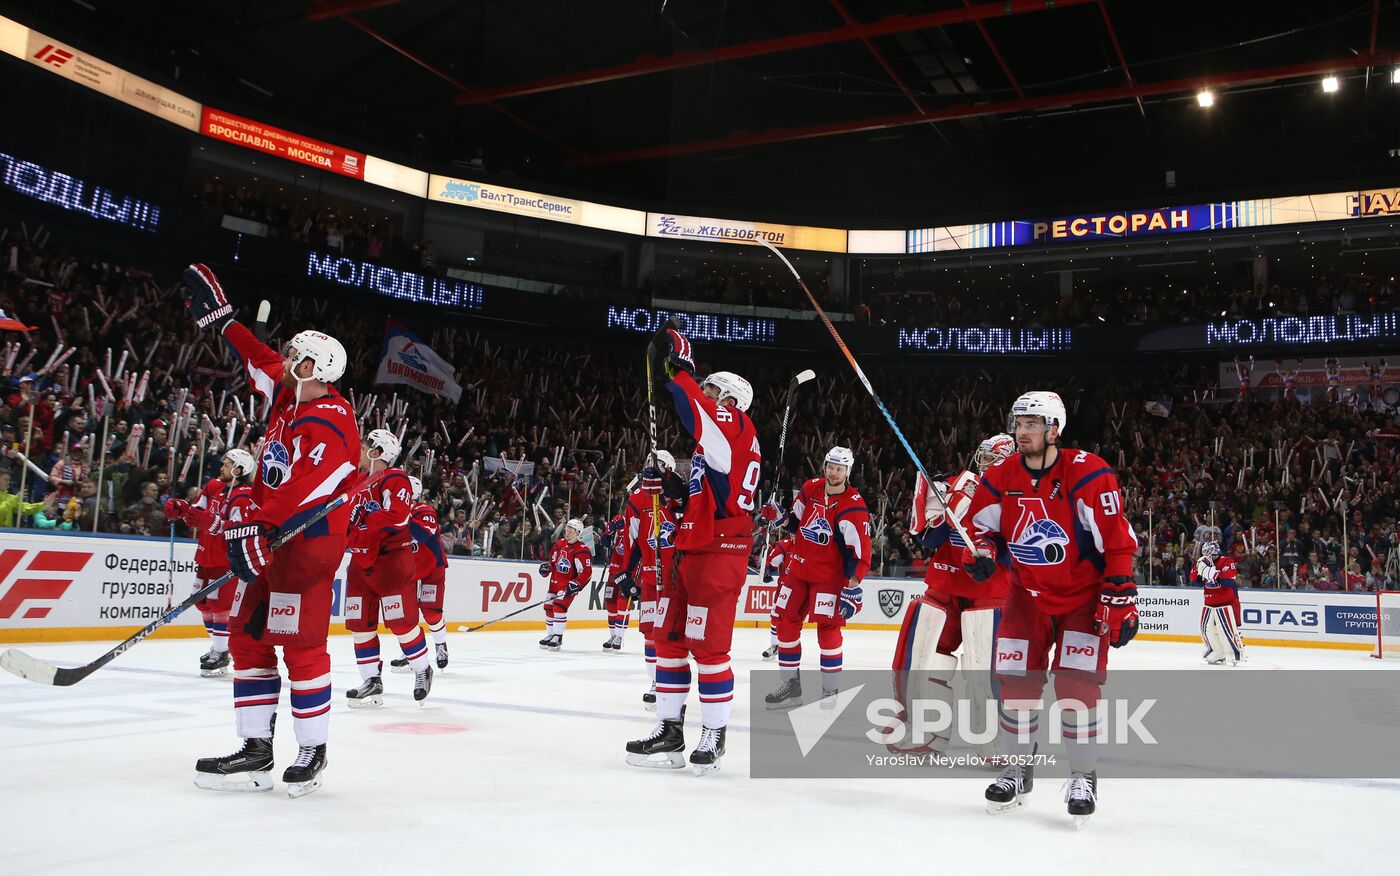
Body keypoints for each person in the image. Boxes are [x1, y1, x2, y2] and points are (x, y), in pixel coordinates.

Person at [183, 263, 359, 799]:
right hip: (267, 543)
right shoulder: (289, 398)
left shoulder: (333, 419)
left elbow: (311, 484)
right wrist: (226, 323)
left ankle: (312, 750)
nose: (284, 360)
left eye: (294, 355)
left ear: (315, 367)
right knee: (247, 639)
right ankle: (256, 750)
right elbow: (260, 360)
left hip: (305, 548)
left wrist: (256, 526)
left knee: (301, 646)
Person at [961, 391, 1137, 826]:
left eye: (1032, 424)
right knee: (1016, 684)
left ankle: (1082, 775)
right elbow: (980, 528)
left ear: (1054, 429)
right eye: (1018, 423)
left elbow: (1116, 541)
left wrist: (1122, 595)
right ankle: (1017, 768)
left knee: (1076, 690)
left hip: (1082, 599)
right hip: (1025, 596)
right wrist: (980, 553)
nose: (1022, 432)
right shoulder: (1001, 474)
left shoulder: (1088, 473)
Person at [625, 328, 760, 776]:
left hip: (719, 554)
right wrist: (673, 488)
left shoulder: (735, 426)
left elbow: (692, 413)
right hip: (694, 548)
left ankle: (715, 733)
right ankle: (669, 728)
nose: (703, 394)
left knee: (709, 647)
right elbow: (707, 494)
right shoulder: (716, 448)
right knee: (669, 638)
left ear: (729, 399)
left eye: (710, 389)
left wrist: (682, 369)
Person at [886, 433, 1015, 760]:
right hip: (944, 584)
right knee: (922, 660)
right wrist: (934, 502)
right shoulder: (958, 483)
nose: (985, 462)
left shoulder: (1020, 494)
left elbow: (1022, 547)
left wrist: (994, 552)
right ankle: (927, 732)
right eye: (984, 455)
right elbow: (930, 539)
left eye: (993, 457)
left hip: (989, 594)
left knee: (983, 671)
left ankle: (993, 740)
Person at [762, 446, 871, 709]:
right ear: (825, 466)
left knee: (828, 631)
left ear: (848, 471)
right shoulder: (810, 488)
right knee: (786, 623)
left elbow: (860, 552)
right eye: (831, 467)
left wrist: (853, 585)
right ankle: (791, 686)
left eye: (840, 469)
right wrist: (779, 517)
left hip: (828, 578)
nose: (834, 473)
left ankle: (830, 690)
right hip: (798, 571)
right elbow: (795, 523)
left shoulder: (853, 506)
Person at [343, 429, 434, 707]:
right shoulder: (356, 482)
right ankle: (371, 680)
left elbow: (398, 517)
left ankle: (422, 669)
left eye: (364, 447)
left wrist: (366, 517)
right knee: (360, 625)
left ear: (377, 453)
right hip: (359, 562)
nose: (358, 451)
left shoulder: (395, 479)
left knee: (401, 623)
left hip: (391, 562)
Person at [162, 448, 257, 676]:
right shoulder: (214, 486)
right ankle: (220, 649)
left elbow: (238, 529)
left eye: (226, 464)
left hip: (225, 560)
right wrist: (180, 509)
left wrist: (210, 522)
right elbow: (196, 510)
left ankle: (221, 650)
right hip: (205, 556)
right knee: (202, 603)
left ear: (239, 470)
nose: (221, 467)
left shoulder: (243, 495)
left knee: (220, 606)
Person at [607, 451, 682, 707]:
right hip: (650, 577)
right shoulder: (638, 498)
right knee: (650, 633)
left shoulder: (678, 497)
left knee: (675, 635)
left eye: (657, 466)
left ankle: (675, 679)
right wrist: (625, 572)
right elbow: (632, 538)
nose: (651, 469)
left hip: (677, 579)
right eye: (649, 464)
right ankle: (656, 681)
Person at [390, 475, 450, 672]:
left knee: (431, 612)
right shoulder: (393, 514)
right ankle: (412, 651)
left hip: (432, 568)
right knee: (407, 616)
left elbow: (423, 534)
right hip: (408, 571)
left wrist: (403, 516)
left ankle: (441, 645)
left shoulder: (425, 511)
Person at [538, 518, 592, 651]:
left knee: (558, 607)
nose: (566, 533)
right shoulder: (559, 544)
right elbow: (552, 562)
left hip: (567, 586)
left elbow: (586, 572)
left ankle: (558, 636)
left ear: (577, 533)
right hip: (554, 584)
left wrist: (576, 584)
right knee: (548, 607)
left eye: (570, 531)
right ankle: (550, 635)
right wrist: (546, 568)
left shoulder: (582, 550)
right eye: (566, 530)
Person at [1192, 541, 1244, 665]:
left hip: (1226, 602)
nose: (1208, 556)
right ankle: (1216, 652)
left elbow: (1228, 581)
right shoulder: (1201, 563)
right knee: (1205, 629)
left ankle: (1235, 653)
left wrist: (1212, 573)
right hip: (1209, 602)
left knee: (1226, 629)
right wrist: (1201, 574)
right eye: (1205, 553)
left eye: (1210, 553)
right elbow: (1195, 582)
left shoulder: (1227, 561)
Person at [759, 532, 797, 660]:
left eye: (797, 534)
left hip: (803, 587)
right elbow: (772, 561)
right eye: (792, 534)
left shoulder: (812, 547)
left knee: (793, 622)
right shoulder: (785, 545)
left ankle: (790, 647)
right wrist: (768, 570)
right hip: (784, 588)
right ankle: (775, 646)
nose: (794, 537)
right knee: (775, 617)